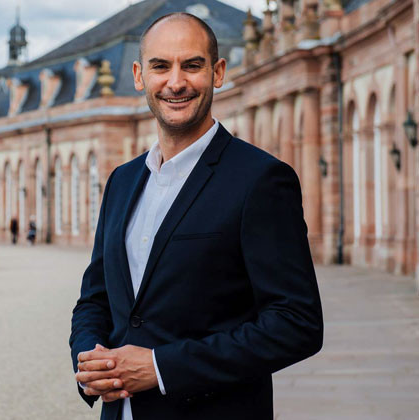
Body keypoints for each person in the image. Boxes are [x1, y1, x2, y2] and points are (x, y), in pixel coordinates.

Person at [69, 13, 323, 420]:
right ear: (138, 76)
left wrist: (161, 368)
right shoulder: (122, 180)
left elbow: (296, 323)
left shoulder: (260, 179)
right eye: (160, 66)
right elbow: (95, 298)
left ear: (217, 72)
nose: (176, 82)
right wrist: (89, 359)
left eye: (191, 65)